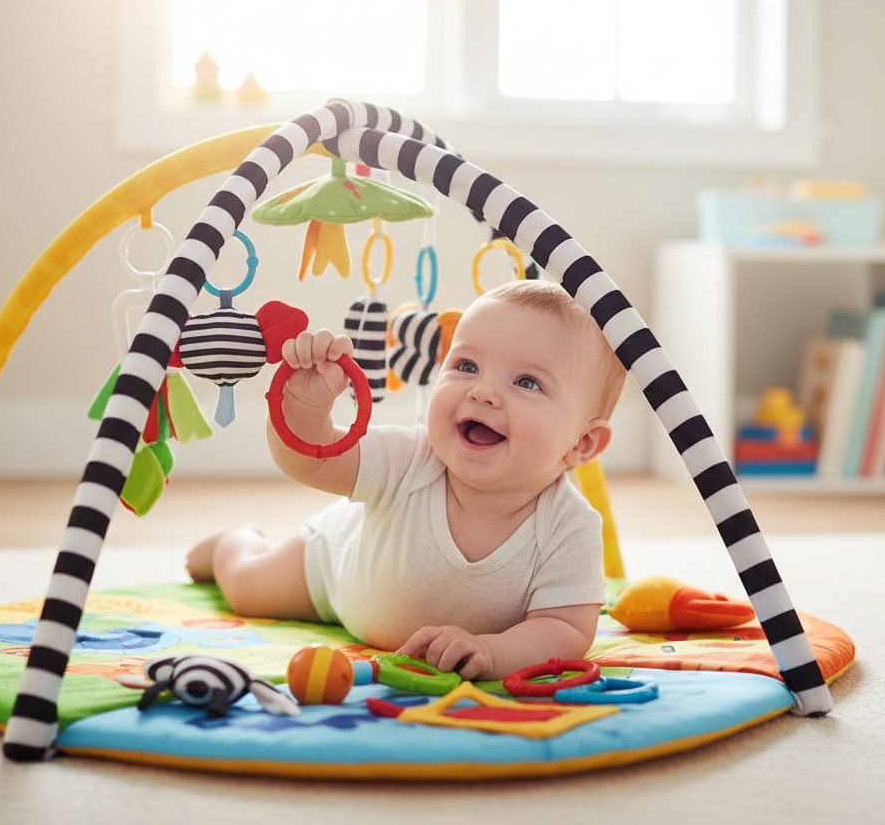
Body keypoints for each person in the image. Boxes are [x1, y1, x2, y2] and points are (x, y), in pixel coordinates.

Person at [186, 280, 627, 681]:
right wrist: (305, 406)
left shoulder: (570, 527)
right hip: (331, 567)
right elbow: (310, 460)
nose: (482, 391)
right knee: (246, 588)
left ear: (583, 444)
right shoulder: (409, 459)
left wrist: (492, 651)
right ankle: (235, 541)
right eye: (468, 366)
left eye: (527, 382)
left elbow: (566, 629)